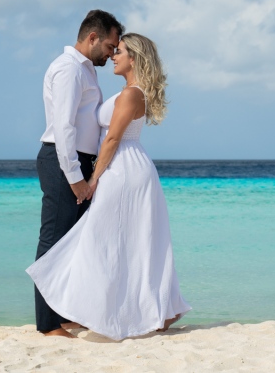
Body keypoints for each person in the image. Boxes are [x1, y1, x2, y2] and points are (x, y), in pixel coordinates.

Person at [27, 33, 191, 341]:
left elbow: (113, 139)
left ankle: (132, 311)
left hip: (123, 169)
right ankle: (136, 310)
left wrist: (91, 180)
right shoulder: (128, 91)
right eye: (114, 50)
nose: (114, 56)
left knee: (105, 241)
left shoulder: (131, 95)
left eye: (121, 51)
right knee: (119, 241)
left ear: (135, 59)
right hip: (123, 166)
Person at [34, 9, 124, 338]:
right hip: (63, 161)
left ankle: (64, 314)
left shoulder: (87, 71)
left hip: (79, 162)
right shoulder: (69, 69)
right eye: (111, 46)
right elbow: (64, 128)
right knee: (53, 241)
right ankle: (47, 325)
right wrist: (75, 178)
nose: (113, 53)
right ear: (92, 38)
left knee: (75, 243)